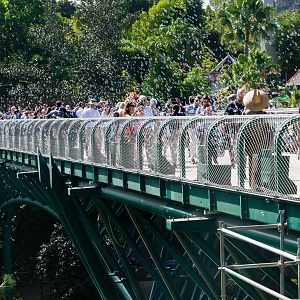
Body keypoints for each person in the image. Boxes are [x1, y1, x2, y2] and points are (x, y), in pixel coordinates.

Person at [243, 89, 271, 189]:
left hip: (252, 145)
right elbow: (269, 130)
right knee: (258, 166)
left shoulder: (246, 114)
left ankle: (253, 184)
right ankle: (255, 184)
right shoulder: (264, 115)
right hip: (260, 146)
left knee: (253, 165)